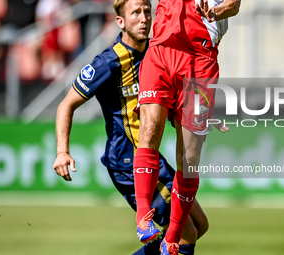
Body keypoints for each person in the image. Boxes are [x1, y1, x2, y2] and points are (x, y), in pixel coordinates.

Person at [53, 0, 214, 254]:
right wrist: (62, 151)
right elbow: (65, 105)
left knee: (200, 225)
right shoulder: (108, 62)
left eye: (147, 12)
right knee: (187, 234)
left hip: (152, 157)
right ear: (121, 22)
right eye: (135, 13)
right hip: (127, 162)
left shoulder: (157, 52)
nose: (143, 19)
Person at [133, 0, 239, 254]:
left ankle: (173, 236)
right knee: (149, 130)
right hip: (162, 48)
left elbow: (234, 4)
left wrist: (217, 11)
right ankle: (143, 219)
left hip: (200, 59)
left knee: (188, 159)